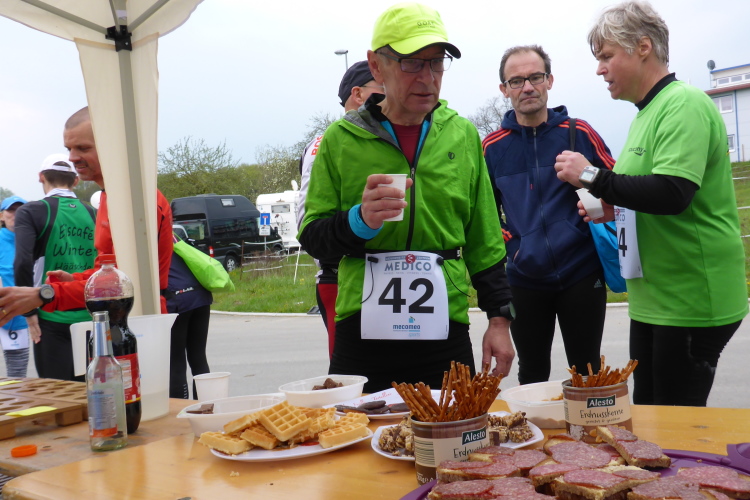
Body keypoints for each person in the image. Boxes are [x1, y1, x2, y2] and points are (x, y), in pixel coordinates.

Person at [298, 2, 514, 393]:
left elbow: (485, 238)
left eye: (437, 63)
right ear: (376, 66)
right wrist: (359, 220)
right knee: (358, 430)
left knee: (455, 428)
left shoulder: (462, 135)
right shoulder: (340, 139)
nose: (427, 78)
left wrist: (499, 320)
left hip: (444, 327)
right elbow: (312, 236)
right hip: (361, 329)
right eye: (411, 63)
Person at [554, 0, 748, 406]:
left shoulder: (684, 103)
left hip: (690, 298)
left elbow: (673, 193)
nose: (599, 69)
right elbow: (646, 191)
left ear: (643, 47)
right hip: (653, 299)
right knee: (648, 416)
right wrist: (614, 208)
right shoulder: (644, 114)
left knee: (674, 425)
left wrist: (591, 176)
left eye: (606, 56)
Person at [482, 45, 616, 385]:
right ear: (504, 89)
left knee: (587, 373)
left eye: (535, 77)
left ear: (549, 81)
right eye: (516, 81)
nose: (527, 87)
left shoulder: (579, 133)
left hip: (581, 272)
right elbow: (484, 213)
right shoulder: (492, 148)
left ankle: (586, 422)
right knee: (532, 374)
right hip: (524, 278)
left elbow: (619, 186)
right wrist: (511, 243)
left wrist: (597, 197)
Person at [0, 107, 173, 326]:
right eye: (69, 149)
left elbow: (125, 283)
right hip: (114, 320)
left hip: (139, 323)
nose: (72, 158)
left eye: (83, 148)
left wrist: (45, 294)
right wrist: (76, 278)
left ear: (110, 146)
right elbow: (108, 270)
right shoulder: (109, 196)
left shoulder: (134, 200)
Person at [297, 60, 384, 359]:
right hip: (339, 273)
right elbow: (306, 218)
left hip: (381, 272)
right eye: (382, 87)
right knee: (351, 376)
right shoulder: (326, 142)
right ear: (358, 95)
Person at [14, 154, 97, 381]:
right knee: (92, 393)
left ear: (41, 177)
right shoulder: (94, 213)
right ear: (76, 180)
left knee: (57, 394)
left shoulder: (30, 211)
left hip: (50, 315)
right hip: (91, 316)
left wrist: (29, 312)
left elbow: (22, 262)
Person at [165, 233, 213, 399]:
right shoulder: (173, 237)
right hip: (200, 296)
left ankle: (181, 409)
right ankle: (205, 407)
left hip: (178, 299)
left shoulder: (149, 243)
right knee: (198, 357)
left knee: (176, 361)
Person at [0, 196, 30, 377]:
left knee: (17, 374)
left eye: (20, 210)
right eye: (11, 210)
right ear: (1, 216)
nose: (16, 214)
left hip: (17, 315)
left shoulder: (31, 239)